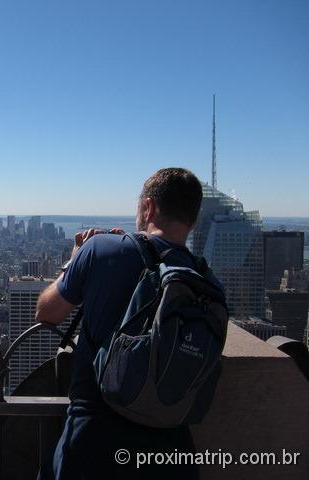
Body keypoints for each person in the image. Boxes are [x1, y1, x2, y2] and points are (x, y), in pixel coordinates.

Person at [36, 168, 222, 479]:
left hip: (94, 441)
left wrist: (75, 259)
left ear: (148, 207)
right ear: (193, 220)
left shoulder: (102, 249)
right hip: (172, 453)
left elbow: (47, 312)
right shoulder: (207, 283)